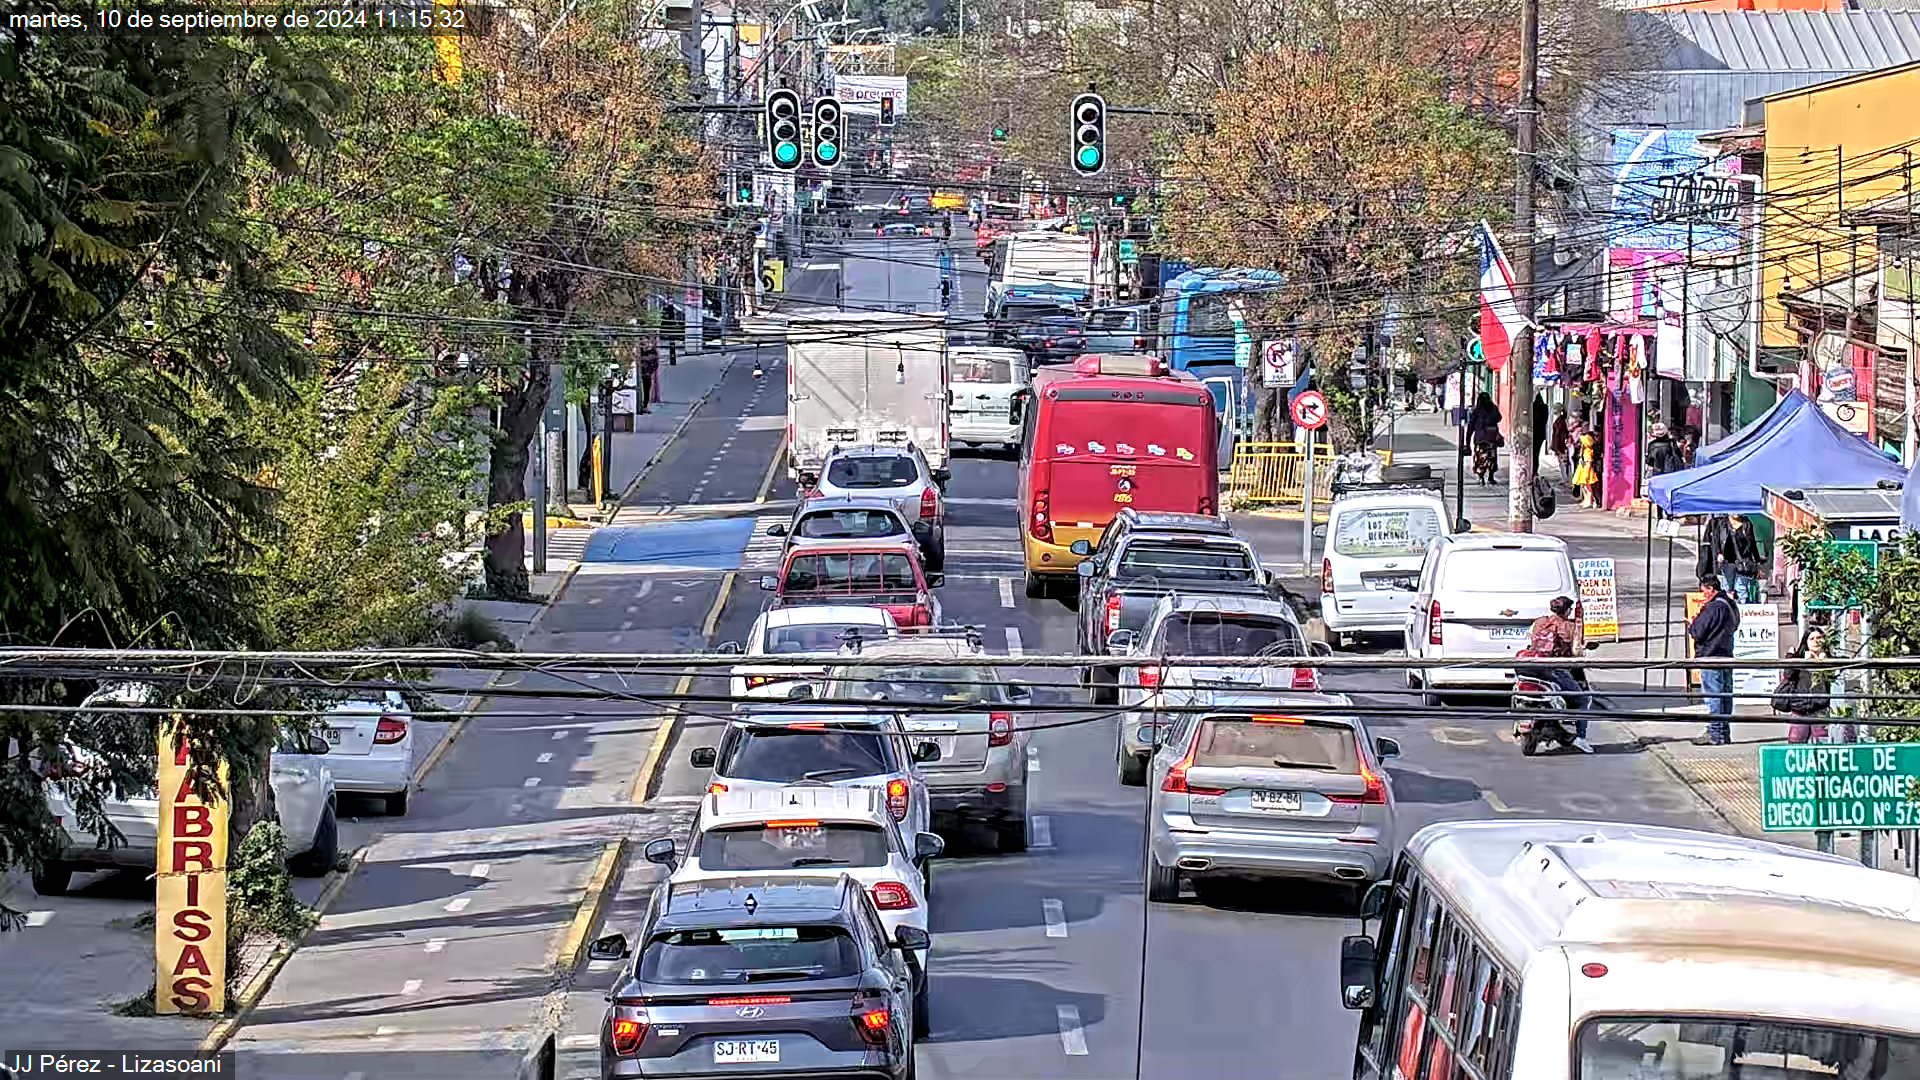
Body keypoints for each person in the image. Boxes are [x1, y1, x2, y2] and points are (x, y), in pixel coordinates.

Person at [1525, 595, 1593, 753]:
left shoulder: (1539, 622)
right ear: (1568, 611)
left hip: (1532, 669)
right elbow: (1577, 652)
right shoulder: (1569, 627)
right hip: (1556, 671)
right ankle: (1581, 738)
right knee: (1583, 699)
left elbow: (1530, 639)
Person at [1688, 576, 1740, 745]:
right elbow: (1736, 625)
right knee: (1725, 694)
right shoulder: (1731, 605)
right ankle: (1723, 731)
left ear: (1711, 588)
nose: (1703, 595)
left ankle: (1715, 732)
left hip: (1711, 655)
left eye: (1704, 591)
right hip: (1726, 654)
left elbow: (1698, 632)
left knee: (1714, 695)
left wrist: (1692, 623)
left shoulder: (1713, 608)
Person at [1778, 627, 1834, 744]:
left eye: (1819, 638)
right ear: (1806, 642)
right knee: (1796, 745)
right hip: (1800, 709)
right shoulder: (1799, 659)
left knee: (1822, 746)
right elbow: (1788, 675)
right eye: (1812, 638)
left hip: (1820, 710)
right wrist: (1791, 658)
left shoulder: (1830, 660)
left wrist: (1825, 661)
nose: (1815, 641)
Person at [1468, 392, 1503, 486]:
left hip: (1480, 440)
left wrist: (1467, 442)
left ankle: (1481, 477)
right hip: (1491, 439)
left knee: (1480, 459)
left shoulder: (1476, 411)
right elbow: (1499, 418)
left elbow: (1471, 427)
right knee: (1491, 458)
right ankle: (1490, 477)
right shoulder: (1493, 408)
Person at [1571, 423, 1600, 509]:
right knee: (1584, 486)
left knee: (1588, 487)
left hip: (1587, 469)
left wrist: (1587, 472)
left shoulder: (1588, 450)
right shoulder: (1584, 450)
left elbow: (1589, 462)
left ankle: (1589, 501)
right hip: (1584, 468)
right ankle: (1586, 500)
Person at [1548, 404, 1572, 485]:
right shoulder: (1560, 420)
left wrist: (1558, 447)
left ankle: (1565, 479)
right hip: (1559, 445)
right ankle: (1564, 478)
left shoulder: (1560, 421)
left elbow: (1560, 435)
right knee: (1562, 463)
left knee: (1563, 463)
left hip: (1560, 445)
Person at [1531, 394, 1549, 472]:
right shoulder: (1545, 408)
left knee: (1533, 452)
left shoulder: (1532, 407)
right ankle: (1535, 470)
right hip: (1541, 433)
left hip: (1534, 433)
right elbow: (1545, 419)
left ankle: (1533, 469)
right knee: (1537, 453)